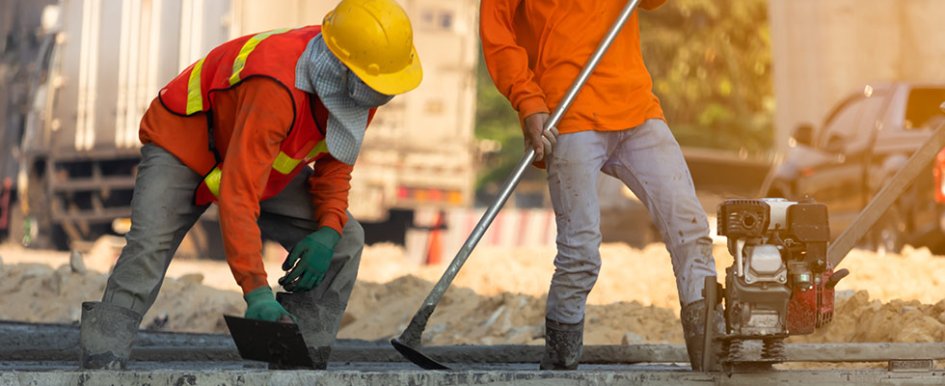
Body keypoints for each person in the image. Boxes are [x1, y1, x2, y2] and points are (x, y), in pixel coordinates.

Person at [78, 0, 422, 370]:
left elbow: (335, 168)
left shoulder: (362, 90)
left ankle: (300, 356)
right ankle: (102, 359)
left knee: (346, 238)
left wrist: (326, 230)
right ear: (342, 69)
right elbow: (237, 195)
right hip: (185, 139)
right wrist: (255, 290)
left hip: (256, 155)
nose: (382, 98)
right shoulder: (276, 85)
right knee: (149, 247)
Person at [480, 0, 721, 371]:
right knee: (579, 255)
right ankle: (560, 363)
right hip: (570, 111)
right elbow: (498, 36)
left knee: (691, 230)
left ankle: (709, 356)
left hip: (636, 107)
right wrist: (527, 100)